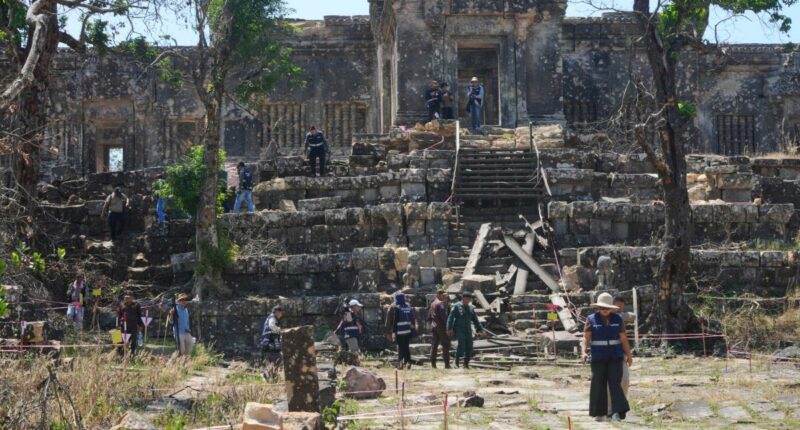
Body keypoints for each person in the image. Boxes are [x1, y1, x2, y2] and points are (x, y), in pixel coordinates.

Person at [581, 292, 633, 422]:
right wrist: (583, 351)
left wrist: (629, 355)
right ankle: (600, 413)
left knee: (616, 383)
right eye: (602, 308)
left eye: (607, 308)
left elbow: (623, 338)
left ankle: (616, 412)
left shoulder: (618, 319)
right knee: (598, 383)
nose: (604, 310)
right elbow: (586, 337)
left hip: (615, 355)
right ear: (598, 308)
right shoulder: (591, 319)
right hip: (598, 356)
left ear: (611, 308)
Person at [607, 296, 635, 414]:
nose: (620, 309)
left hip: (620, 353)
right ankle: (609, 409)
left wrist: (629, 355)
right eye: (618, 306)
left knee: (625, 381)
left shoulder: (619, 317)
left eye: (622, 307)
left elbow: (632, 316)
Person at [446, 291, 483, 369]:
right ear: (462, 298)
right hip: (459, 329)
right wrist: (449, 328)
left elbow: (475, 320)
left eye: (469, 299)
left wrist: (480, 329)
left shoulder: (470, 308)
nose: (468, 301)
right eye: (466, 299)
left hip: (468, 329)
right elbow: (450, 318)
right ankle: (456, 362)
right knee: (461, 344)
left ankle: (466, 364)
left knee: (469, 345)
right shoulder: (456, 306)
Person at [385, 292, 418, 369]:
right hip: (408, 331)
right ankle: (408, 363)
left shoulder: (393, 307)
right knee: (406, 347)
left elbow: (388, 321)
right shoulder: (408, 306)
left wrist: (388, 332)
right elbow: (413, 318)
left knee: (400, 347)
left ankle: (401, 364)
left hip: (399, 331)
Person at [427, 289, 451, 368]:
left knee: (434, 345)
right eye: (443, 296)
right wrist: (448, 326)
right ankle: (447, 364)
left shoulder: (433, 303)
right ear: (438, 295)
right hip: (441, 327)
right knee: (446, 344)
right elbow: (444, 317)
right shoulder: (440, 304)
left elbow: (429, 316)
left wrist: (431, 324)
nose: (444, 297)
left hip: (434, 327)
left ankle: (433, 364)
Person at [117, 290, 144, 357]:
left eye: (128, 297)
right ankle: (121, 355)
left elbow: (139, 315)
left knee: (133, 341)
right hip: (123, 325)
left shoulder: (136, 305)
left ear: (132, 298)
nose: (126, 298)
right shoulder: (121, 304)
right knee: (121, 341)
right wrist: (117, 325)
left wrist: (140, 325)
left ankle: (132, 355)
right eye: (125, 297)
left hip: (133, 326)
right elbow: (119, 315)